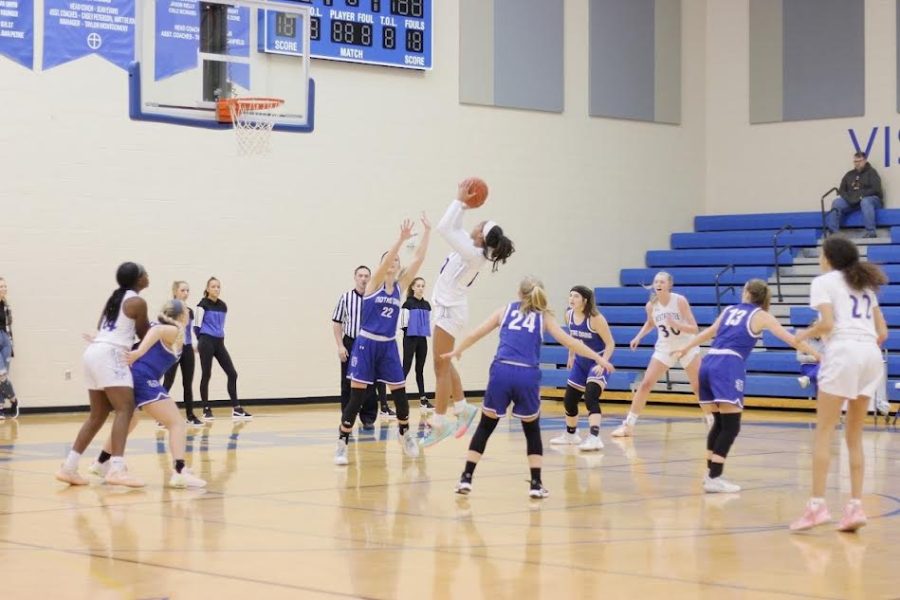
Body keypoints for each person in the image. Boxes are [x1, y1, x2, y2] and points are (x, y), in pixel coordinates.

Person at [444, 277, 615, 498]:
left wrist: (458, 350)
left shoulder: (505, 310)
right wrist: (599, 359)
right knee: (531, 430)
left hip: (501, 371)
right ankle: (535, 484)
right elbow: (572, 343)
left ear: (519, 293)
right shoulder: (544, 316)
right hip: (526, 373)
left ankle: (466, 478)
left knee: (486, 426)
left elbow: (476, 332)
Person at [672, 280, 818, 493]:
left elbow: (709, 332)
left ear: (748, 293)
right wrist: (817, 354)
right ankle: (714, 476)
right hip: (728, 365)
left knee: (719, 424)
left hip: (708, 361)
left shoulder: (730, 310)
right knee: (731, 425)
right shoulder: (762, 316)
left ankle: (710, 473)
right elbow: (791, 339)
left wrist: (686, 347)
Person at [790, 236, 888, 532]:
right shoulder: (865, 285)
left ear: (829, 258)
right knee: (854, 436)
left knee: (823, 431)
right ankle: (855, 507)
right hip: (871, 354)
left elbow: (829, 324)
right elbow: (882, 333)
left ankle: (816, 507)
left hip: (844, 351)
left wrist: (803, 335)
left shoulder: (824, 281)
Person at [423, 180, 516, 447]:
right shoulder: (473, 247)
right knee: (444, 363)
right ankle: (463, 408)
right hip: (447, 308)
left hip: (450, 312)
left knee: (439, 368)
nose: (476, 222)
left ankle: (439, 424)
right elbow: (452, 227)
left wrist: (458, 201)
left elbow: (443, 228)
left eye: (480, 222)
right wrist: (463, 204)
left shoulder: (474, 254)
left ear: (481, 235)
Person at [334, 215, 432, 466]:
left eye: (397, 261)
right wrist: (399, 241)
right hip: (366, 344)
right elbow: (389, 260)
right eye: (390, 259)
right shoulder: (374, 284)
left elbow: (419, 260)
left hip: (388, 344)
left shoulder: (400, 288)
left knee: (399, 391)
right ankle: (342, 442)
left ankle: (404, 433)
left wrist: (428, 232)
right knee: (356, 397)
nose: (394, 262)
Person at [88, 300, 207, 488]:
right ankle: (179, 471)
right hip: (143, 378)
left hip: (132, 377)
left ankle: (101, 462)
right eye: (187, 312)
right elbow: (157, 332)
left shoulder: (162, 331)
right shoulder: (171, 330)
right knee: (176, 422)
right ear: (182, 316)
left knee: (131, 420)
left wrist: (101, 341)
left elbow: (135, 341)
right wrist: (139, 352)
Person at [56, 262, 150, 487]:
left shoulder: (115, 298)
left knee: (97, 415)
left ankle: (69, 467)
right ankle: (116, 469)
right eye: (144, 272)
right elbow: (145, 333)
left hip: (94, 351)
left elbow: (103, 325)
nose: (148, 275)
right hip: (111, 354)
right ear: (138, 279)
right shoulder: (137, 301)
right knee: (125, 409)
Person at [611, 272, 703, 437]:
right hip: (665, 347)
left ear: (669, 285)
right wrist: (638, 337)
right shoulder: (651, 305)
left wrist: (677, 324)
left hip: (686, 345)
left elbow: (695, 329)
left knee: (698, 387)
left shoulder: (679, 301)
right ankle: (629, 425)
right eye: (656, 281)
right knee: (646, 383)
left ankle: (714, 422)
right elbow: (650, 323)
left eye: (662, 281)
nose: (658, 284)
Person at [549, 285, 614, 451]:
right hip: (580, 361)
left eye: (576, 296)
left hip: (597, 361)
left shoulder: (595, 318)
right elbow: (573, 338)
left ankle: (594, 437)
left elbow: (610, 343)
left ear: (585, 300)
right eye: (570, 296)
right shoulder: (568, 314)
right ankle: (571, 435)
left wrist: (602, 362)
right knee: (569, 400)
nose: (571, 299)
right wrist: (571, 355)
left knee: (591, 397)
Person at [331, 266, 380, 427]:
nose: (363, 279)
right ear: (355, 277)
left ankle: (368, 417)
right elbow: (337, 322)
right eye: (360, 275)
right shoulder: (345, 298)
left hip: (369, 343)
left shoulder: (375, 298)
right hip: (351, 342)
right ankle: (347, 417)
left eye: (366, 276)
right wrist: (340, 346)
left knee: (370, 382)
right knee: (347, 381)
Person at [196, 277, 251, 420]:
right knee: (206, 374)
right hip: (206, 341)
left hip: (219, 342)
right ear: (207, 289)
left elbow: (220, 326)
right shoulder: (202, 305)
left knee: (232, 373)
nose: (216, 289)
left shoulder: (223, 306)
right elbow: (196, 326)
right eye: (213, 286)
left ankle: (236, 408)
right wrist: (201, 341)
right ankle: (206, 408)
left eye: (218, 287)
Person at [162, 281, 201, 426]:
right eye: (183, 290)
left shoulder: (189, 311)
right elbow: (164, 328)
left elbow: (190, 330)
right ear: (175, 291)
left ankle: (190, 415)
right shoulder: (170, 309)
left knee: (188, 383)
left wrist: (195, 344)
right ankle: (162, 416)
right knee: (168, 382)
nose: (186, 293)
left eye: (187, 290)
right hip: (173, 350)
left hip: (187, 348)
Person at [826, 152, 884, 238]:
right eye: (855, 161)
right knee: (837, 202)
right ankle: (834, 233)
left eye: (859, 161)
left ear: (864, 161)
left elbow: (876, 189)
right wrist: (850, 199)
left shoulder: (872, 172)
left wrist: (860, 196)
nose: (857, 163)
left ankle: (871, 232)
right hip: (853, 201)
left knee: (865, 201)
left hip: (871, 200)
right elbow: (841, 190)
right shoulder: (849, 175)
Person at [400, 277, 434, 412]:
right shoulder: (407, 304)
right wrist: (412, 332)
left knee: (419, 369)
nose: (420, 288)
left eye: (422, 286)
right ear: (413, 287)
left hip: (422, 340)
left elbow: (429, 322)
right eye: (418, 286)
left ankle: (423, 400)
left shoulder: (427, 305)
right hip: (410, 339)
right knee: (406, 368)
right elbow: (403, 324)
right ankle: (400, 398)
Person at [0, 278, 18, 419]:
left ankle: (0, 407)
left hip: (5, 340)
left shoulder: (6, 305)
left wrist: (10, 344)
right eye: (1, 286)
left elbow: (9, 326)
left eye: (5, 286)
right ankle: (13, 400)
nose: (4, 288)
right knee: (1, 375)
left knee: (3, 375)